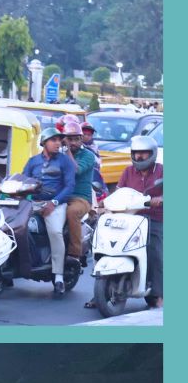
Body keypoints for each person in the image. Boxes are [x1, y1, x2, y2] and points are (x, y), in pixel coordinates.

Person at [21, 127, 75, 297]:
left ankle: (58, 276)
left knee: (55, 232)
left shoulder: (64, 161)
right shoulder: (33, 161)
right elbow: (23, 180)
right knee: (13, 227)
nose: (58, 143)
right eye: (54, 140)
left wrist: (54, 202)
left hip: (56, 204)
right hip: (33, 202)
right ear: (44, 142)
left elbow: (70, 186)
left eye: (59, 140)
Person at [114, 134, 163, 308]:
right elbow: (118, 192)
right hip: (130, 217)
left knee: (155, 252)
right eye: (136, 153)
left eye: (143, 153)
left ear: (153, 154)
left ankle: (158, 294)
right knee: (110, 244)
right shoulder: (128, 171)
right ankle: (103, 287)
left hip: (155, 218)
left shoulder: (162, 170)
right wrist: (106, 203)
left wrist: (161, 198)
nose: (139, 157)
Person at [61, 116, 105, 269]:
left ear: (81, 139)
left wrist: (66, 151)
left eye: (75, 139)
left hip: (80, 198)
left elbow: (76, 170)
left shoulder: (88, 155)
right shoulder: (58, 152)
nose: (72, 143)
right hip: (59, 196)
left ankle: (74, 253)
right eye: (68, 139)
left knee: (72, 212)